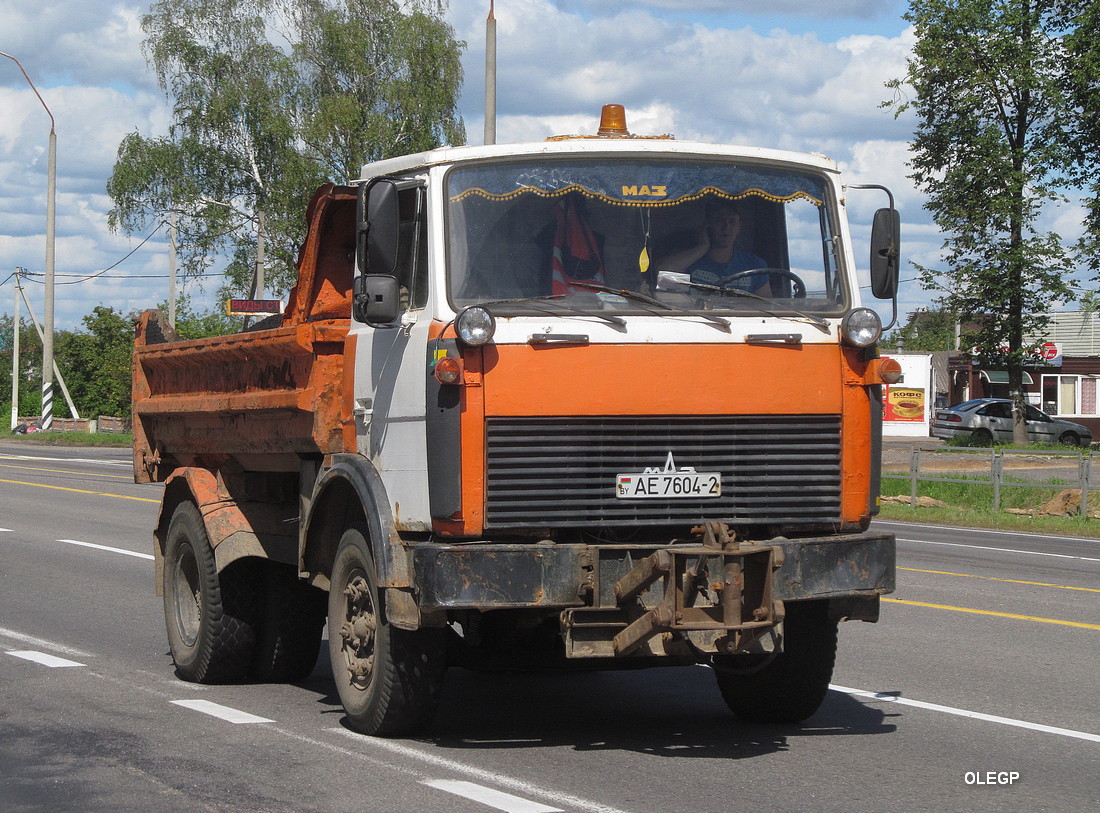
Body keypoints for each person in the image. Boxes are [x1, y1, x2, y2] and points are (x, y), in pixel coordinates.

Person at [658, 199, 771, 295]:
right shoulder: (688, 260)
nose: (726, 227)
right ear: (708, 225)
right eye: (719, 220)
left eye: (732, 222)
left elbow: (768, 310)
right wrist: (702, 247)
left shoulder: (754, 265)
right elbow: (662, 273)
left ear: (739, 227)